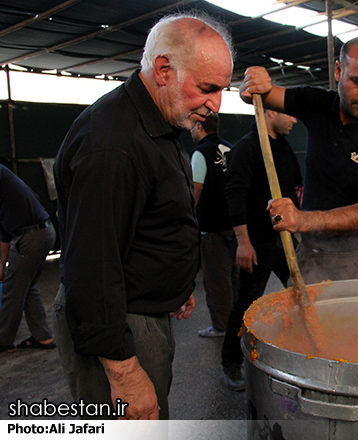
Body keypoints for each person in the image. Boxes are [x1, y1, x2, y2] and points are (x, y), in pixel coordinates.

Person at [52, 12, 234, 420]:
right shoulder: (113, 144)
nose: (216, 104)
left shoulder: (161, 121)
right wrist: (125, 373)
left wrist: (175, 281)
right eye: (207, 88)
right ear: (164, 70)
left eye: (222, 89)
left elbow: (159, 215)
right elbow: (91, 268)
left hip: (145, 311)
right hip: (117, 325)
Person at [239, 36, 358, 284]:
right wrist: (252, 83)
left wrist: (302, 220)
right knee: (302, 321)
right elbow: (258, 96)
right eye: (357, 81)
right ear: (339, 71)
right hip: (311, 255)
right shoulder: (317, 104)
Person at [220, 110, 301, 391]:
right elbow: (234, 194)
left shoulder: (282, 146)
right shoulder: (247, 147)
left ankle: (301, 348)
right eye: (289, 115)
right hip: (257, 241)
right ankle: (231, 362)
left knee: (303, 291)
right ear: (270, 112)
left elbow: (295, 185)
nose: (294, 120)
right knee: (246, 302)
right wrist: (243, 242)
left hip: (286, 238)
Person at [190, 113, 238, 338]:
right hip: (235, 224)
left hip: (212, 226)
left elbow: (196, 189)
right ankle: (240, 321)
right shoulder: (231, 147)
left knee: (217, 279)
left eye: (192, 126)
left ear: (199, 126)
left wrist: (187, 216)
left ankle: (221, 326)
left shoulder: (201, 153)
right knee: (234, 276)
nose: (190, 131)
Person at [0, 163, 57, 353]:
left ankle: (3, 340)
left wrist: (2, 267)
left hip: (31, 236)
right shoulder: (8, 189)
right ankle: (43, 337)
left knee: (12, 288)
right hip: (44, 233)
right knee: (26, 286)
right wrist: (1, 265)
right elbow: (4, 236)